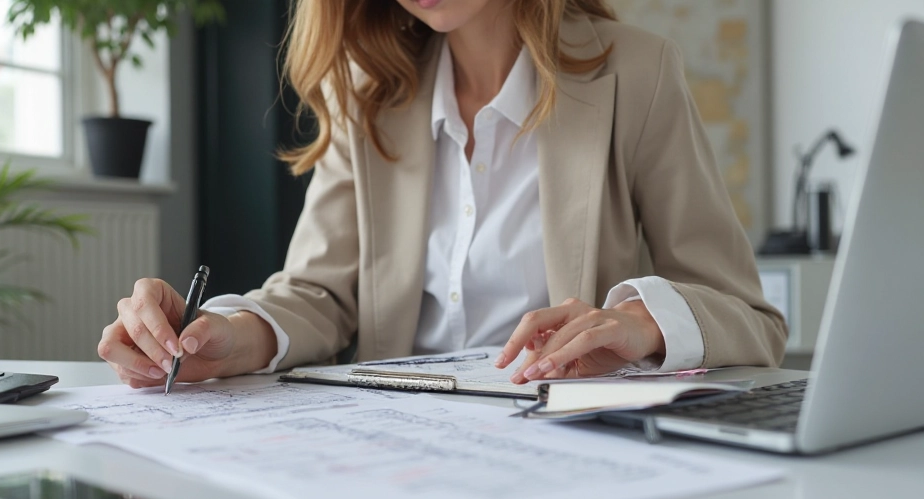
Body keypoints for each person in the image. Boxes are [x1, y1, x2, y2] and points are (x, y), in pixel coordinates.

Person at [98, 0, 787, 389]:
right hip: (399, 449)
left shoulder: (636, 72)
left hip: (566, 447)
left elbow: (750, 316)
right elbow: (317, 294)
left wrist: (643, 322)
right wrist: (224, 336)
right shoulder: (366, 92)